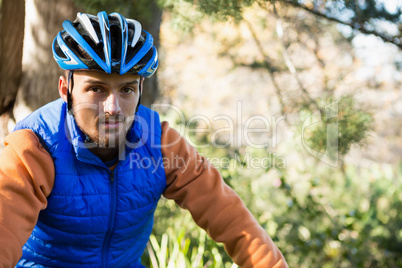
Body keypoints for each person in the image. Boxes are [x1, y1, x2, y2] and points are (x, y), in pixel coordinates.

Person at [0, 11, 288, 268]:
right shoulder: (33, 147)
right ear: (66, 90)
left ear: (140, 92)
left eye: (126, 90)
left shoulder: (160, 144)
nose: (113, 107)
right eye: (97, 89)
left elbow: (233, 220)